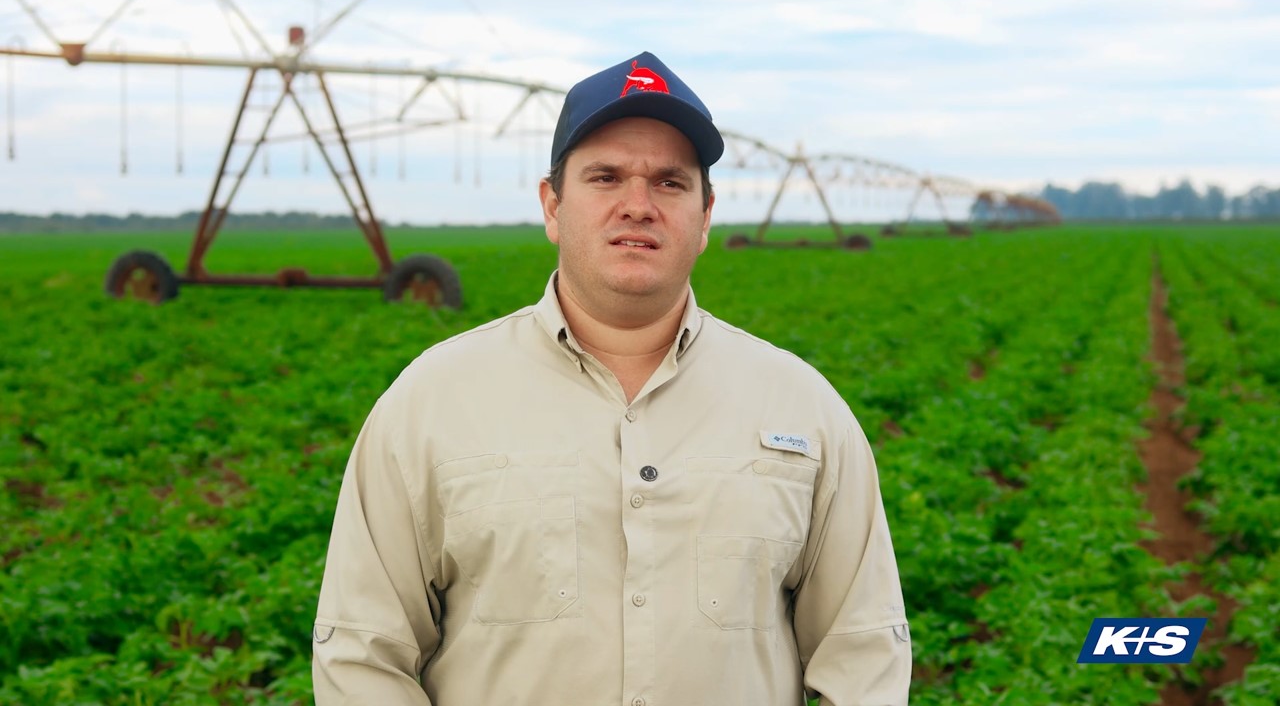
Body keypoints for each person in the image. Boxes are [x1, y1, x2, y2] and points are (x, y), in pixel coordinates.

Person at [312, 51, 911, 706]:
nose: (639, 204)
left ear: (705, 216)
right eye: (605, 177)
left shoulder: (803, 409)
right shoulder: (428, 402)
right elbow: (362, 654)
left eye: (670, 183)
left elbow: (865, 656)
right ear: (552, 205)